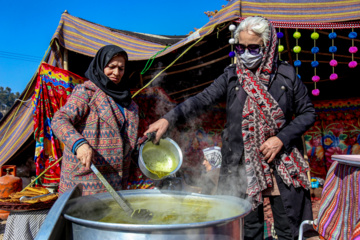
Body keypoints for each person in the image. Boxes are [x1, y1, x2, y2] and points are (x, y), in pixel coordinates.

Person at [144, 16, 316, 239]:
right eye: (241, 48)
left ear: (268, 46)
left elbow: (308, 113)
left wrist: (280, 139)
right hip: (241, 165)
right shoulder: (233, 75)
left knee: (287, 228)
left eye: (253, 48)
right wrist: (169, 118)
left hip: (280, 163)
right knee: (246, 229)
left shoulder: (286, 75)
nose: (245, 54)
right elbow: (201, 99)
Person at [51, 45, 140, 196]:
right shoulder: (87, 93)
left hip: (115, 184)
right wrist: (78, 144)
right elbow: (59, 120)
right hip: (84, 183)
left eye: (121, 68)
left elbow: (126, 139)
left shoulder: (130, 104)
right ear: (100, 65)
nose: (116, 73)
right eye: (111, 67)